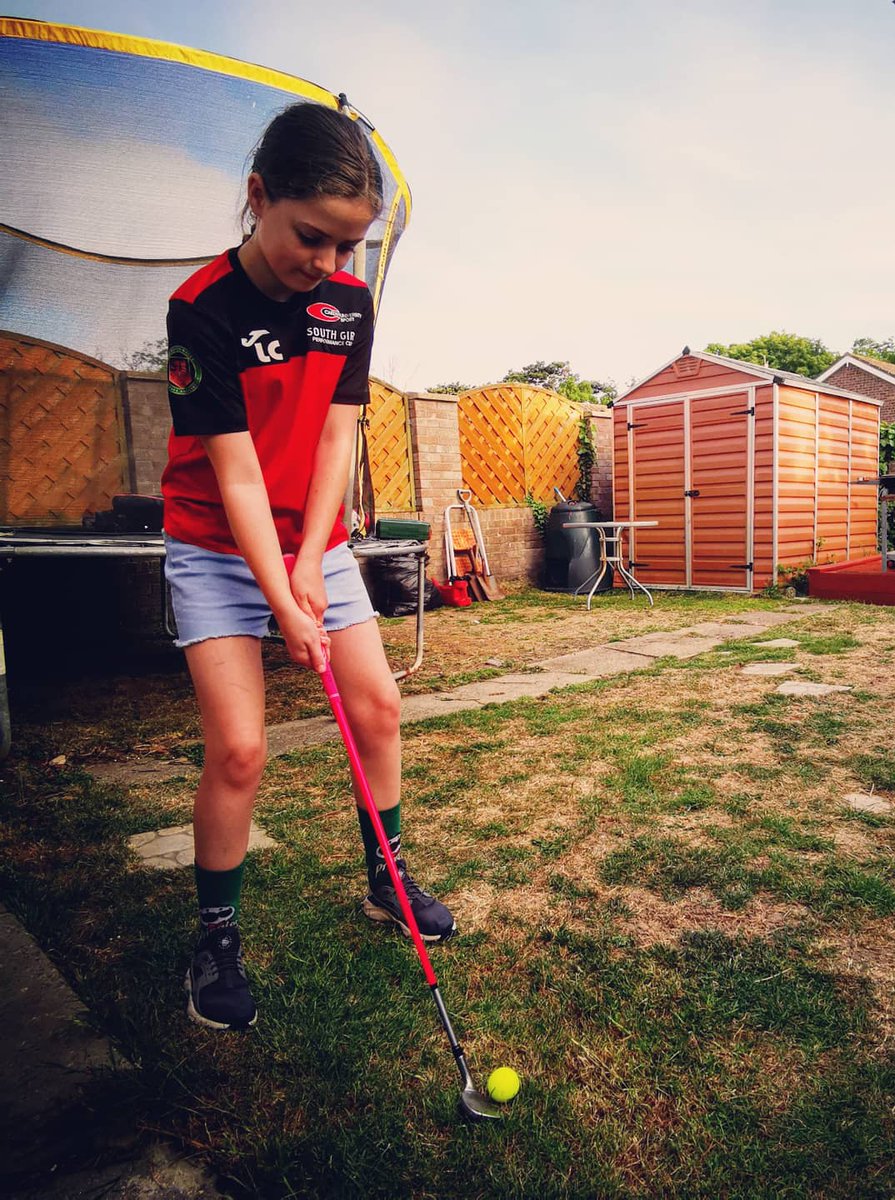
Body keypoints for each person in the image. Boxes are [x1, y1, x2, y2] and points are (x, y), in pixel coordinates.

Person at [161, 102, 454, 1033]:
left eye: (346, 245)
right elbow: (235, 469)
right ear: (259, 198)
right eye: (310, 236)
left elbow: (338, 437)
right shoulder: (201, 308)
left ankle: (386, 879)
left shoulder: (347, 306)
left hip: (312, 540)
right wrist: (280, 592)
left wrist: (310, 560)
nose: (325, 263)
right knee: (241, 748)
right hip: (215, 542)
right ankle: (214, 937)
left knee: (377, 705)